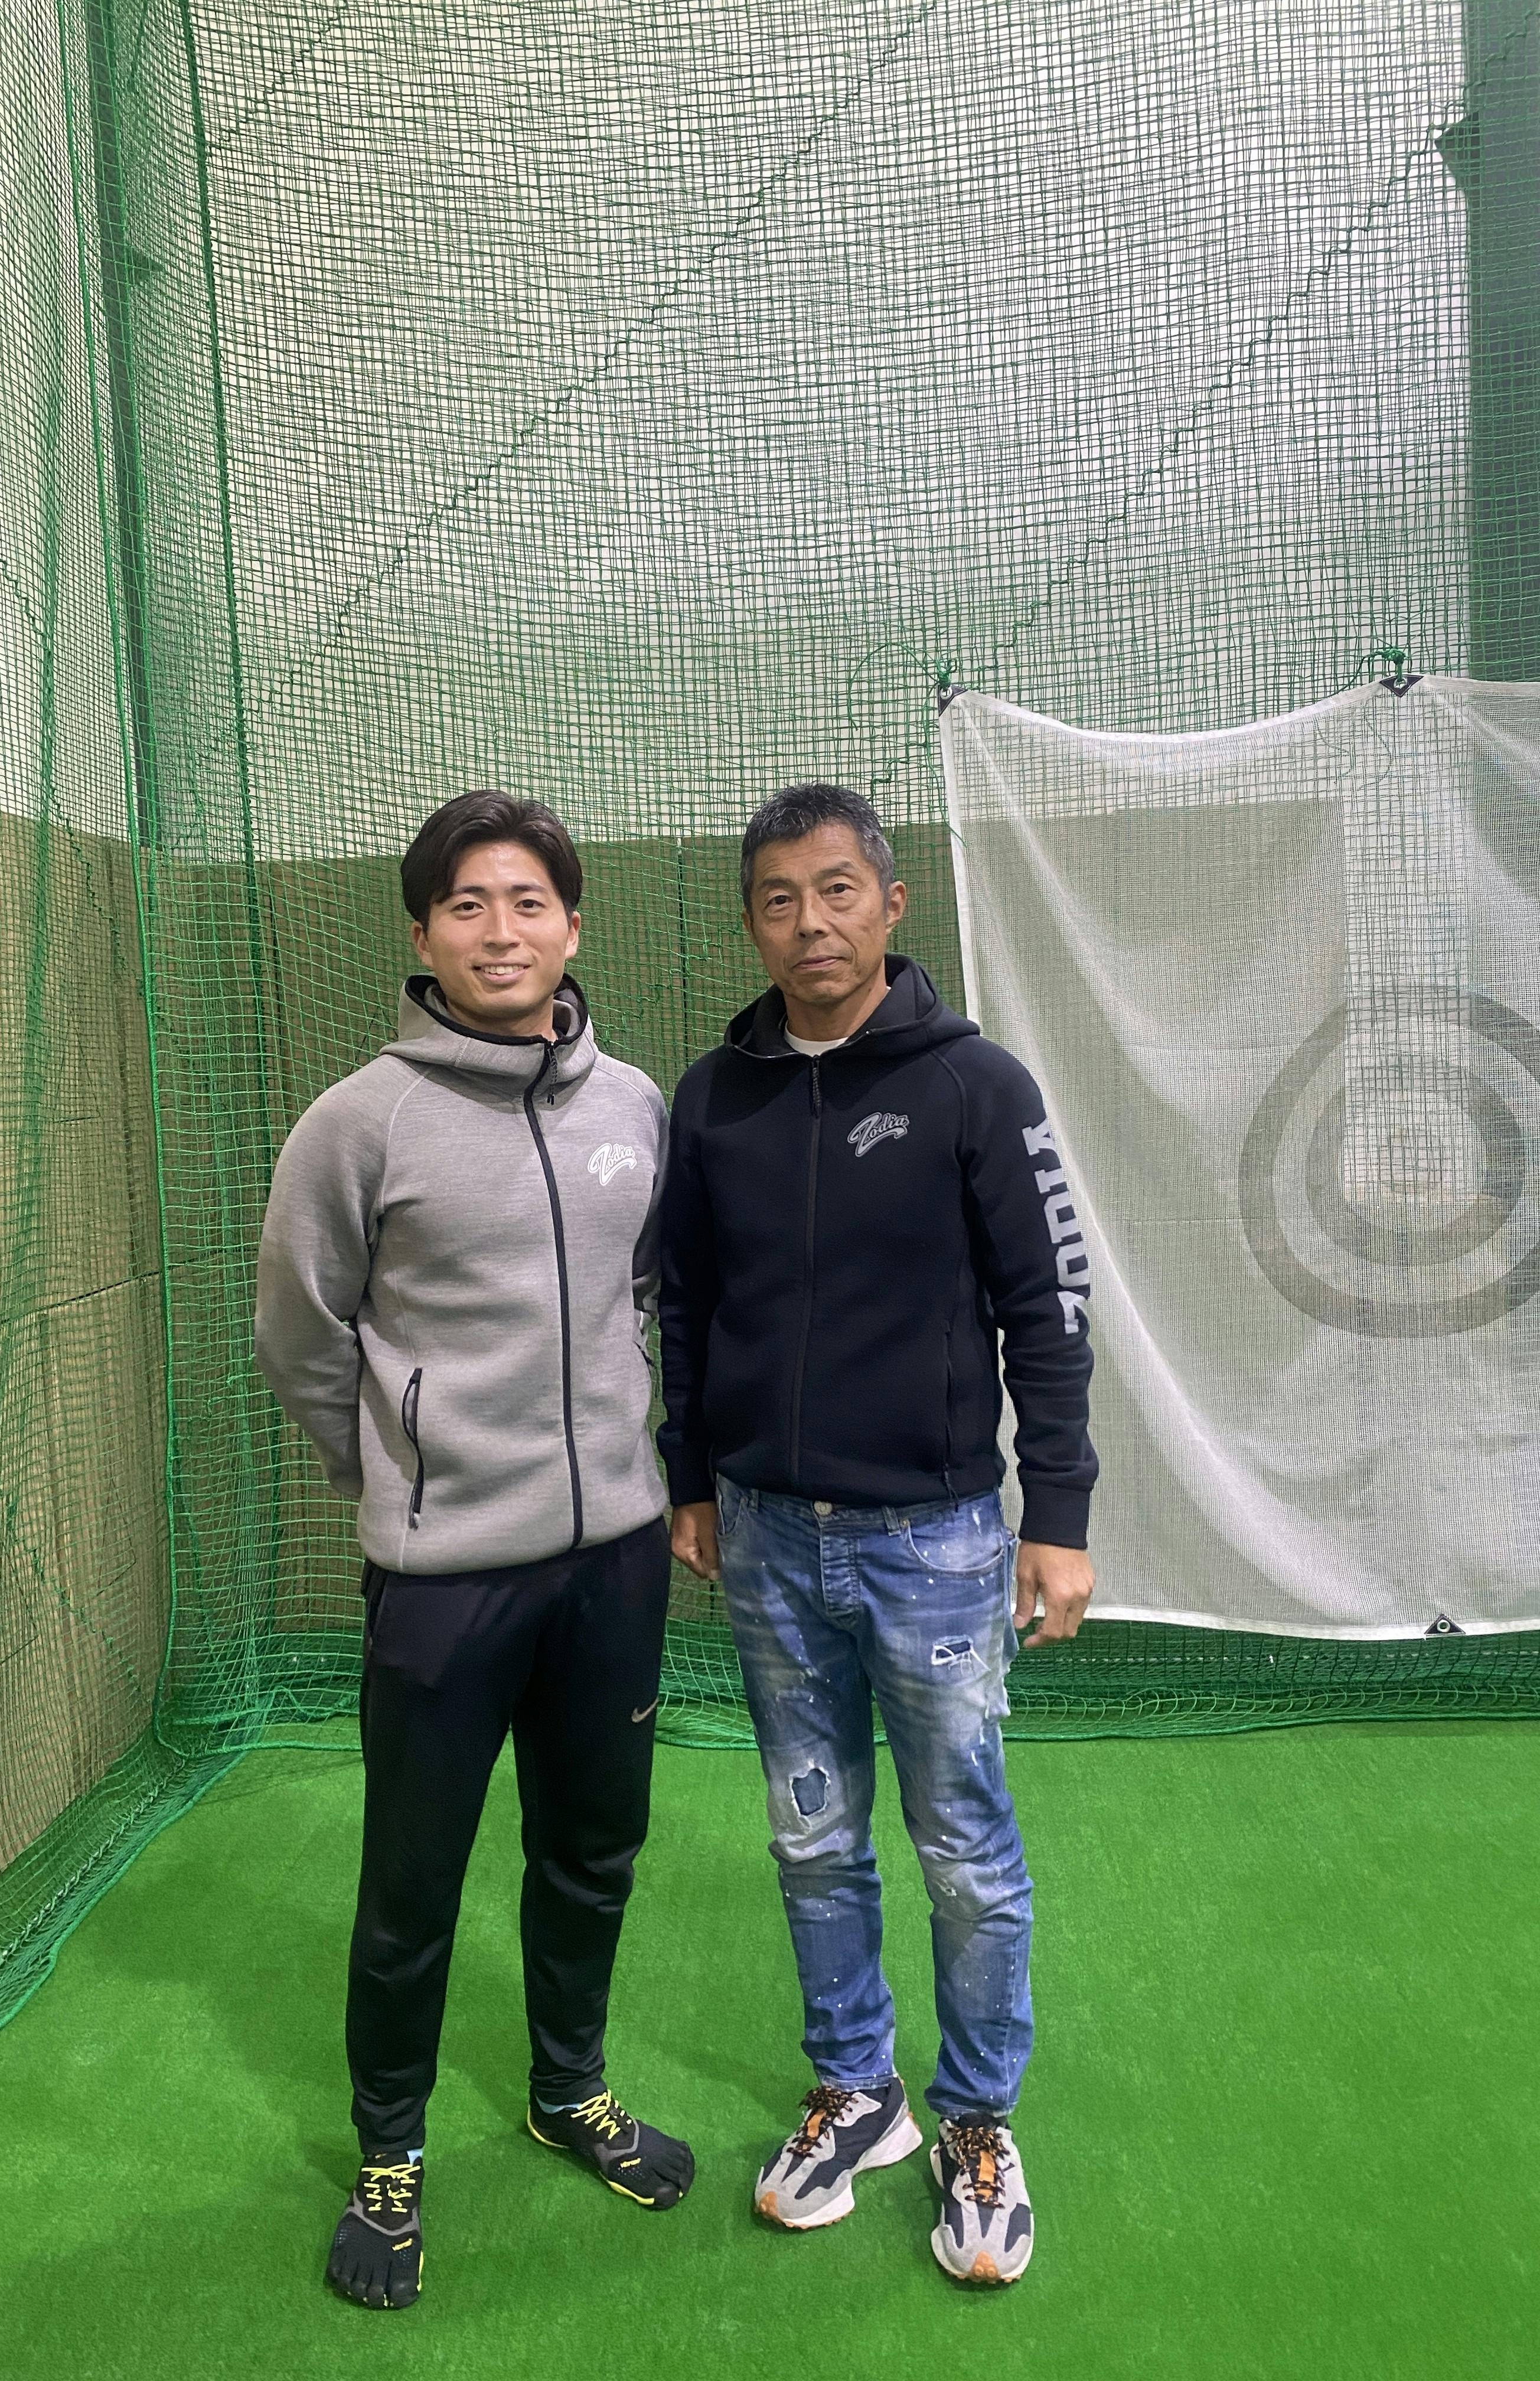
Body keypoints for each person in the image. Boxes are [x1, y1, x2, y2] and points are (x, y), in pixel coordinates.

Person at [255, 790, 694, 2312]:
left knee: (594, 1850)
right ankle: (390, 2154)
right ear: (423, 932)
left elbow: (652, 1296)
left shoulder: (636, 1106)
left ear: (573, 925)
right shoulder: (358, 1122)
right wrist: (399, 1480)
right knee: (413, 1881)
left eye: (527, 903)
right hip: (443, 1580)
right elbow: (301, 1334)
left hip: (614, 1562)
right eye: (466, 905)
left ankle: (568, 2089)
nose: (499, 933)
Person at [656, 781, 1095, 2287]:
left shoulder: (979, 1086)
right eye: (778, 899)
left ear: (891, 905)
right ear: (752, 922)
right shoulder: (713, 1099)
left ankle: (976, 2120)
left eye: (837, 890)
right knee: (813, 1835)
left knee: (963, 1847)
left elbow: (1049, 1311)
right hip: (769, 1540)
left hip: (940, 1547)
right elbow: (687, 1309)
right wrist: (692, 1480)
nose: (811, 924)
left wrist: (1060, 1517)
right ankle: (860, 2090)